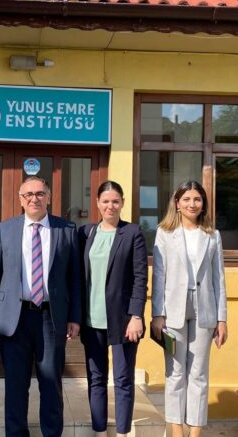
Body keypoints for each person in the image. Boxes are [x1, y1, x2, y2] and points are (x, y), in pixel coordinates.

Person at [0, 176, 81, 437]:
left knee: (51, 384)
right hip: (14, 320)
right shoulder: (5, 229)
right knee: (16, 386)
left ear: (48, 197)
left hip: (51, 319)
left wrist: (74, 316)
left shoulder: (66, 229)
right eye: (28, 194)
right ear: (20, 199)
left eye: (40, 194)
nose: (34, 199)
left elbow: (75, 278)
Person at [150, 180, 228, 437]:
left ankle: (195, 432)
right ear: (177, 203)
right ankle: (177, 431)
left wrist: (222, 319)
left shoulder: (212, 235)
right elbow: (159, 275)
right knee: (175, 372)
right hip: (173, 309)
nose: (192, 204)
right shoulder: (164, 232)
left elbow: (219, 278)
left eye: (197, 199)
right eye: (187, 199)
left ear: (203, 203)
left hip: (205, 308)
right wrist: (157, 314)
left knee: (199, 374)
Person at [77, 181, 148, 437]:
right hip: (91, 319)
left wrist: (136, 315)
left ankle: (122, 432)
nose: (110, 206)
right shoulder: (85, 233)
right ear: (97, 203)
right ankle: (99, 430)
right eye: (105, 201)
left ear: (122, 203)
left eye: (115, 201)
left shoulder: (132, 233)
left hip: (123, 321)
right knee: (96, 378)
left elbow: (140, 277)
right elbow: (78, 277)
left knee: (123, 379)